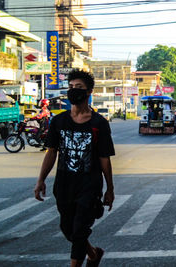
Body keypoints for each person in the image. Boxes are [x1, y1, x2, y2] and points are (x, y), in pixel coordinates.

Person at [34, 69, 115, 267]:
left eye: (78, 87)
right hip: (64, 183)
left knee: (79, 230)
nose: (73, 91)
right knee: (68, 229)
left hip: (89, 184)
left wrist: (110, 189)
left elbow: (105, 159)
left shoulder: (99, 124)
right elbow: (51, 152)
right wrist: (41, 180)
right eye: (70, 87)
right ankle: (93, 253)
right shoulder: (59, 121)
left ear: (89, 92)